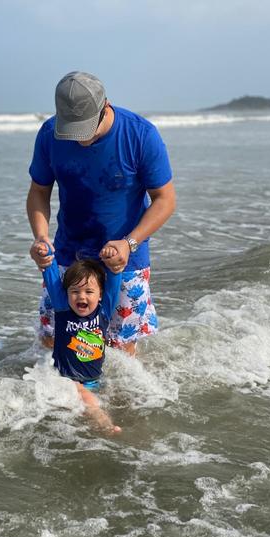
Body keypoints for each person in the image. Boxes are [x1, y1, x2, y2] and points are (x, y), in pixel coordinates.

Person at [27, 71, 176, 355]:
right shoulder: (49, 134)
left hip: (125, 257)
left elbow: (165, 200)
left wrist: (129, 243)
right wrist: (41, 237)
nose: (79, 139)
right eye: (71, 130)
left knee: (120, 347)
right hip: (69, 253)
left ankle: (118, 399)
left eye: (84, 129)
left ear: (105, 106)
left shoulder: (140, 135)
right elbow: (38, 191)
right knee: (54, 339)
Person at [41, 242, 122, 434]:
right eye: (75, 291)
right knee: (90, 403)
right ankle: (106, 426)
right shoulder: (63, 310)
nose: (81, 297)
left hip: (94, 380)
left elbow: (114, 282)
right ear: (66, 294)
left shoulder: (103, 312)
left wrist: (114, 265)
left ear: (100, 294)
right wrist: (46, 256)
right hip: (66, 380)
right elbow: (52, 280)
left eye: (89, 292)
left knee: (83, 414)